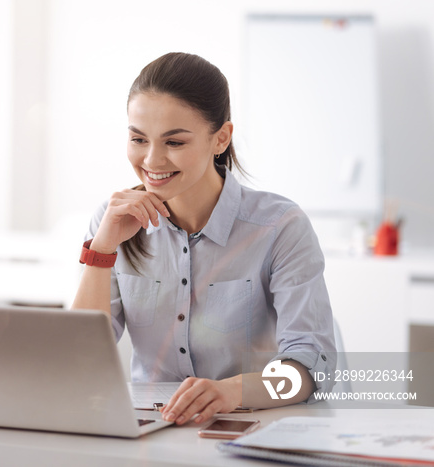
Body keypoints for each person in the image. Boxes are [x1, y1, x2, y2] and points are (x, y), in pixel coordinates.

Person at [71, 52, 336, 426]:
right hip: (148, 430)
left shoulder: (280, 226)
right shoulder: (112, 220)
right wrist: (101, 250)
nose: (151, 160)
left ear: (221, 138)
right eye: (138, 138)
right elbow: (79, 361)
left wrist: (232, 390)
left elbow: (311, 367)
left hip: (251, 429)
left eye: (174, 142)